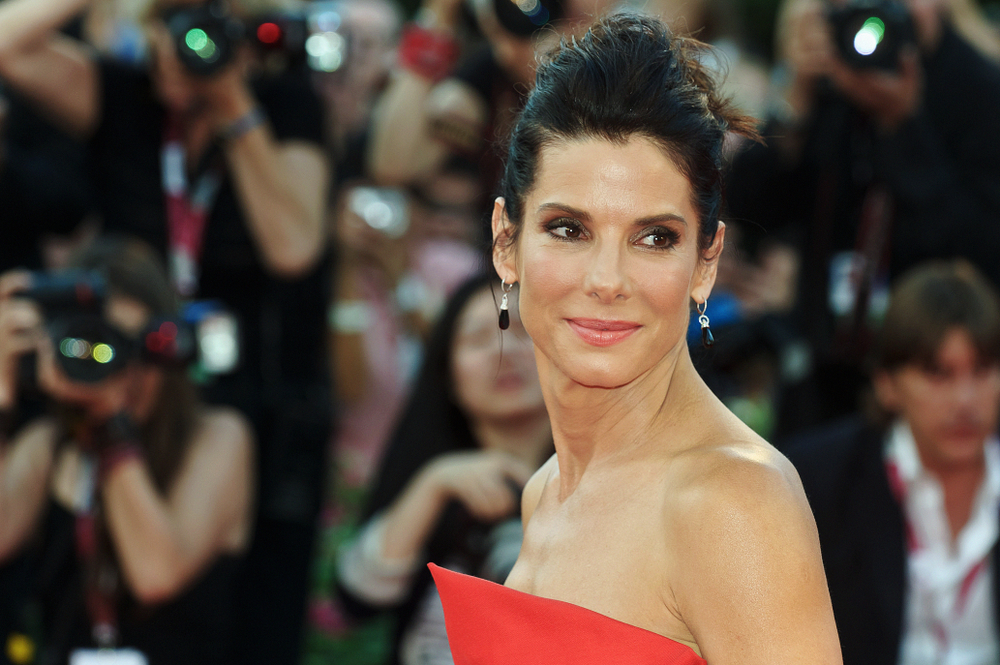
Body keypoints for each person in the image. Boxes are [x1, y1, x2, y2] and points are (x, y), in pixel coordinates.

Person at [427, 12, 842, 664]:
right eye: (569, 229)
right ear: (506, 242)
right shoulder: (544, 492)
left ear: (705, 262)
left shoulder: (732, 502)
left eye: (654, 238)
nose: (607, 280)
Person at [0, 0, 331, 660]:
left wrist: (231, 97)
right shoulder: (125, 95)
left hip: (239, 389)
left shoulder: (284, 105)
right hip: (107, 356)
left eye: (205, 34)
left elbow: (294, 247)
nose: (184, 48)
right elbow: (8, 43)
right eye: (171, 28)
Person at [725, 0, 1000, 434]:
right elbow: (750, 208)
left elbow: (979, 249)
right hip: (823, 375)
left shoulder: (982, 92)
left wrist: (902, 124)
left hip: (938, 382)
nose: (882, 12)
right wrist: (793, 98)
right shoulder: (830, 76)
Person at [0, 236, 253, 664]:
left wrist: (109, 423)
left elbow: (155, 574)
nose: (125, 371)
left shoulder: (219, 437)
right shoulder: (50, 444)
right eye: (97, 347)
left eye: (137, 347)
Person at [785, 260, 1000, 665]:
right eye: (939, 374)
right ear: (887, 384)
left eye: (983, 370)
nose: (965, 400)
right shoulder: (814, 482)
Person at [333, 273, 551, 665]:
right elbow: (359, 597)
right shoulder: (438, 482)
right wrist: (433, 484)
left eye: (521, 330)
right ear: (447, 374)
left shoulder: (610, 482)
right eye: (477, 339)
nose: (502, 351)